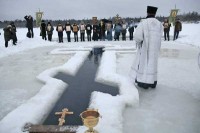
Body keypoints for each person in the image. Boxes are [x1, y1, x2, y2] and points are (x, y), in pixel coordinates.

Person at [130, 6, 163, 89]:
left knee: (143, 64)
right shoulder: (159, 24)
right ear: (155, 13)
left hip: (145, 48)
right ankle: (152, 82)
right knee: (153, 65)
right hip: (155, 49)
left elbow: (138, 37)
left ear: (147, 12)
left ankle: (143, 82)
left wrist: (139, 43)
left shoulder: (143, 23)